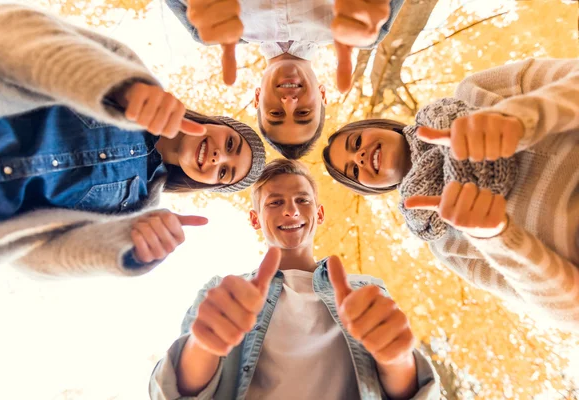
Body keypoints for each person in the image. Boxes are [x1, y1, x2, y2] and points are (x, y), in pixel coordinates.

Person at [0, 4, 265, 275]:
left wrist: (127, 250)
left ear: (208, 184)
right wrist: (118, 86)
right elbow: (8, 28)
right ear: (216, 123)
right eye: (230, 144)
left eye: (224, 172)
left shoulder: (136, 210)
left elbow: (38, 259)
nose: (219, 158)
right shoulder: (130, 80)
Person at [322, 58, 579, 332]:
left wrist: (522, 119)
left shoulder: (477, 91)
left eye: (356, 142)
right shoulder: (447, 243)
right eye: (352, 170)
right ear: (372, 190)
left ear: (383, 126)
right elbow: (570, 313)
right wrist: (497, 238)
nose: (359, 156)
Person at [149, 159, 439, 399]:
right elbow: (169, 391)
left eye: (303, 200)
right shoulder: (223, 294)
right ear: (255, 218)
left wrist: (397, 359)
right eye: (275, 202)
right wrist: (205, 345)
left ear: (319, 212)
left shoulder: (366, 291)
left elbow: (409, 389)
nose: (291, 210)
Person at [166, 0, 405, 159]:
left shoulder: (210, 27)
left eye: (275, 114)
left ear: (258, 97)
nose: (289, 101)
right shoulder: (366, 29)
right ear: (322, 95)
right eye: (303, 113)